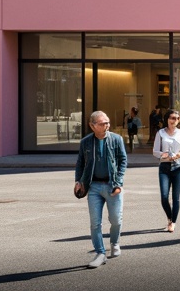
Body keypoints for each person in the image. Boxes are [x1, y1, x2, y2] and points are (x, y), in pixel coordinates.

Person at [73, 110, 127, 269]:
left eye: (108, 122)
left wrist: (118, 183)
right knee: (95, 223)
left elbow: (123, 161)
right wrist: (78, 181)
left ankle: (115, 242)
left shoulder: (116, 139)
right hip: (94, 186)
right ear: (92, 125)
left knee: (116, 219)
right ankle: (100, 253)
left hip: (112, 185)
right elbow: (80, 163)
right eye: (103, 123)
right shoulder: (86, 142)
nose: (107, 125)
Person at [153, 108, 180, 232]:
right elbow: (155, 151)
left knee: (176, 197)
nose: (175, 120)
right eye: (172, 118)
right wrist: (164, 155)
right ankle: (169, 217)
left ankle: (173, 222)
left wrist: (179, 155)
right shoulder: (161, 133)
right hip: (165, 167)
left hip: (179, 166)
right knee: (164, 196)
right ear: (167, 119)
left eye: (177, 118)